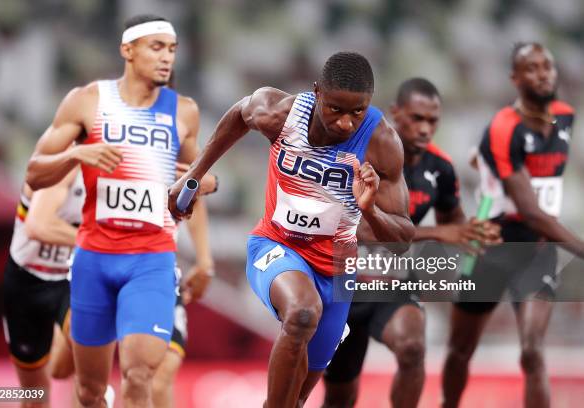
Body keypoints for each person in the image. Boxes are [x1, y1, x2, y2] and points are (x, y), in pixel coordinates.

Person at [169, 51, 415, 408]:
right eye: (335, 109)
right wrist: (193, 175)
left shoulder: (382, 142)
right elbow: (239, 115)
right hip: (276, 245)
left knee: (296, 397)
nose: (346, 123)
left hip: (335, 270)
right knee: (301, 313)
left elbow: (402, 239)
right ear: (316, 92)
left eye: (357, 112)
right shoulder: (279, 113)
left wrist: (370, 210)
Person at [25, 14, 213, 407]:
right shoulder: (87, 101)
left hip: (151, 261)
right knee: (89, 391)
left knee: (139, 374)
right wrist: (77, 151)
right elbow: (35, 172)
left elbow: (197, 182)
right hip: (94, 259)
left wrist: (191, 191)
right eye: (156, 47)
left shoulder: (185, 112)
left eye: (172, 50)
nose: (167, 58)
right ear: (127, 50)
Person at [322, 78, 501, 408]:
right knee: (339, 397)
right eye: (417, 118)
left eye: (432, 121)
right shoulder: (358, 158)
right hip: (343, 284)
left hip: (391, 284)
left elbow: (453, 224)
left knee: (412, 347)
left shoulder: (441, 168)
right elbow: (355, 228)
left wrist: (474, 233)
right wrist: (436, 233)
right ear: (395, 113)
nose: (425, 129)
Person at [442, 42, 584, 408]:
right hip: (489, 246)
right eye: (532, 68)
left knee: (533, 352)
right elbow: (532, 210)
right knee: (460, 349)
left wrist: (485, 161)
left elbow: (537, 194)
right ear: (515, 79)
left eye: (548, 66)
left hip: (537, 249)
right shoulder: (504, 127)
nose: (544, 74)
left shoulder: (566, 116)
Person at [2, 168, 84, 408]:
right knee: (35, 394)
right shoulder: (60, 158)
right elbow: (39, 226)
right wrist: (95, 240)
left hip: (69, 280)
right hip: (26, 283)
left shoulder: (117, 173)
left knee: (88, 374)